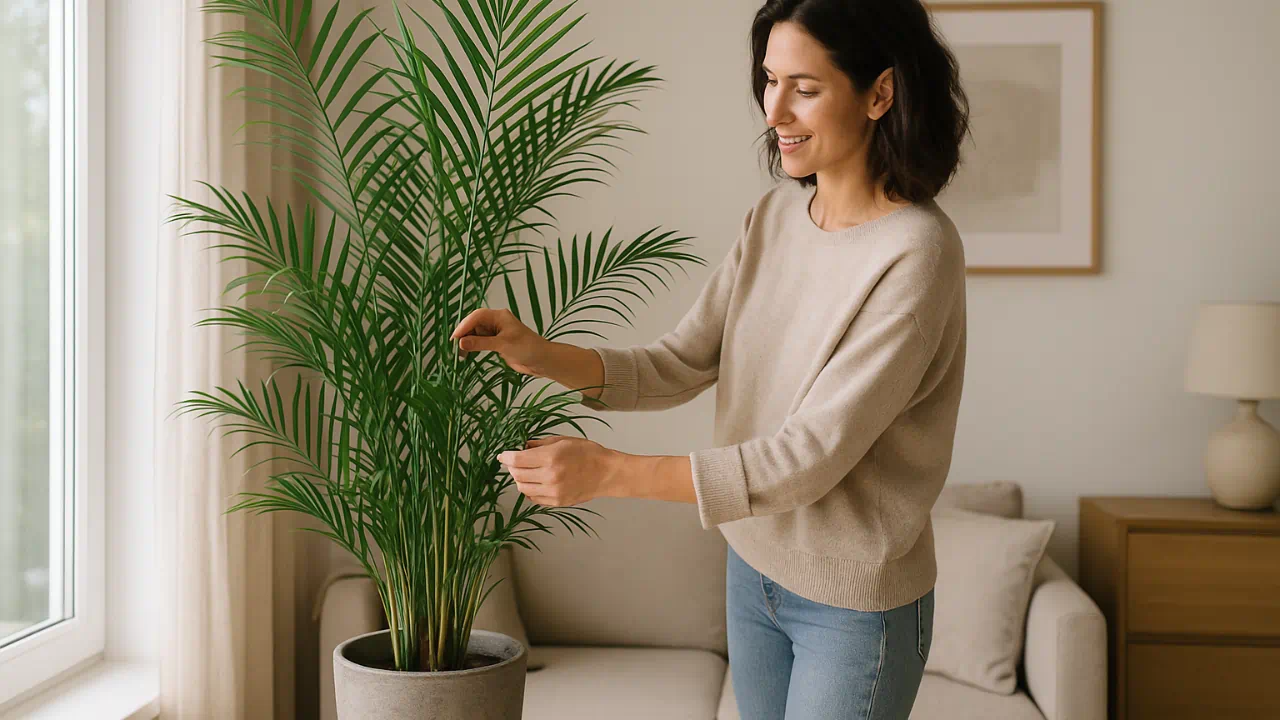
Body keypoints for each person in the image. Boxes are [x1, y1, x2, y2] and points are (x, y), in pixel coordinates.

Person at [451, 0, 970, 716]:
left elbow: (807, 459)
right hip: (752, 571)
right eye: (769, 80)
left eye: (806, 89)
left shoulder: (916, 254)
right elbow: (684, 359)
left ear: (880, 93)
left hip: (854, 609)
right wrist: (542, 355)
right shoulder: (775, 218)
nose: (775, 111)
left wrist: (607, 471)